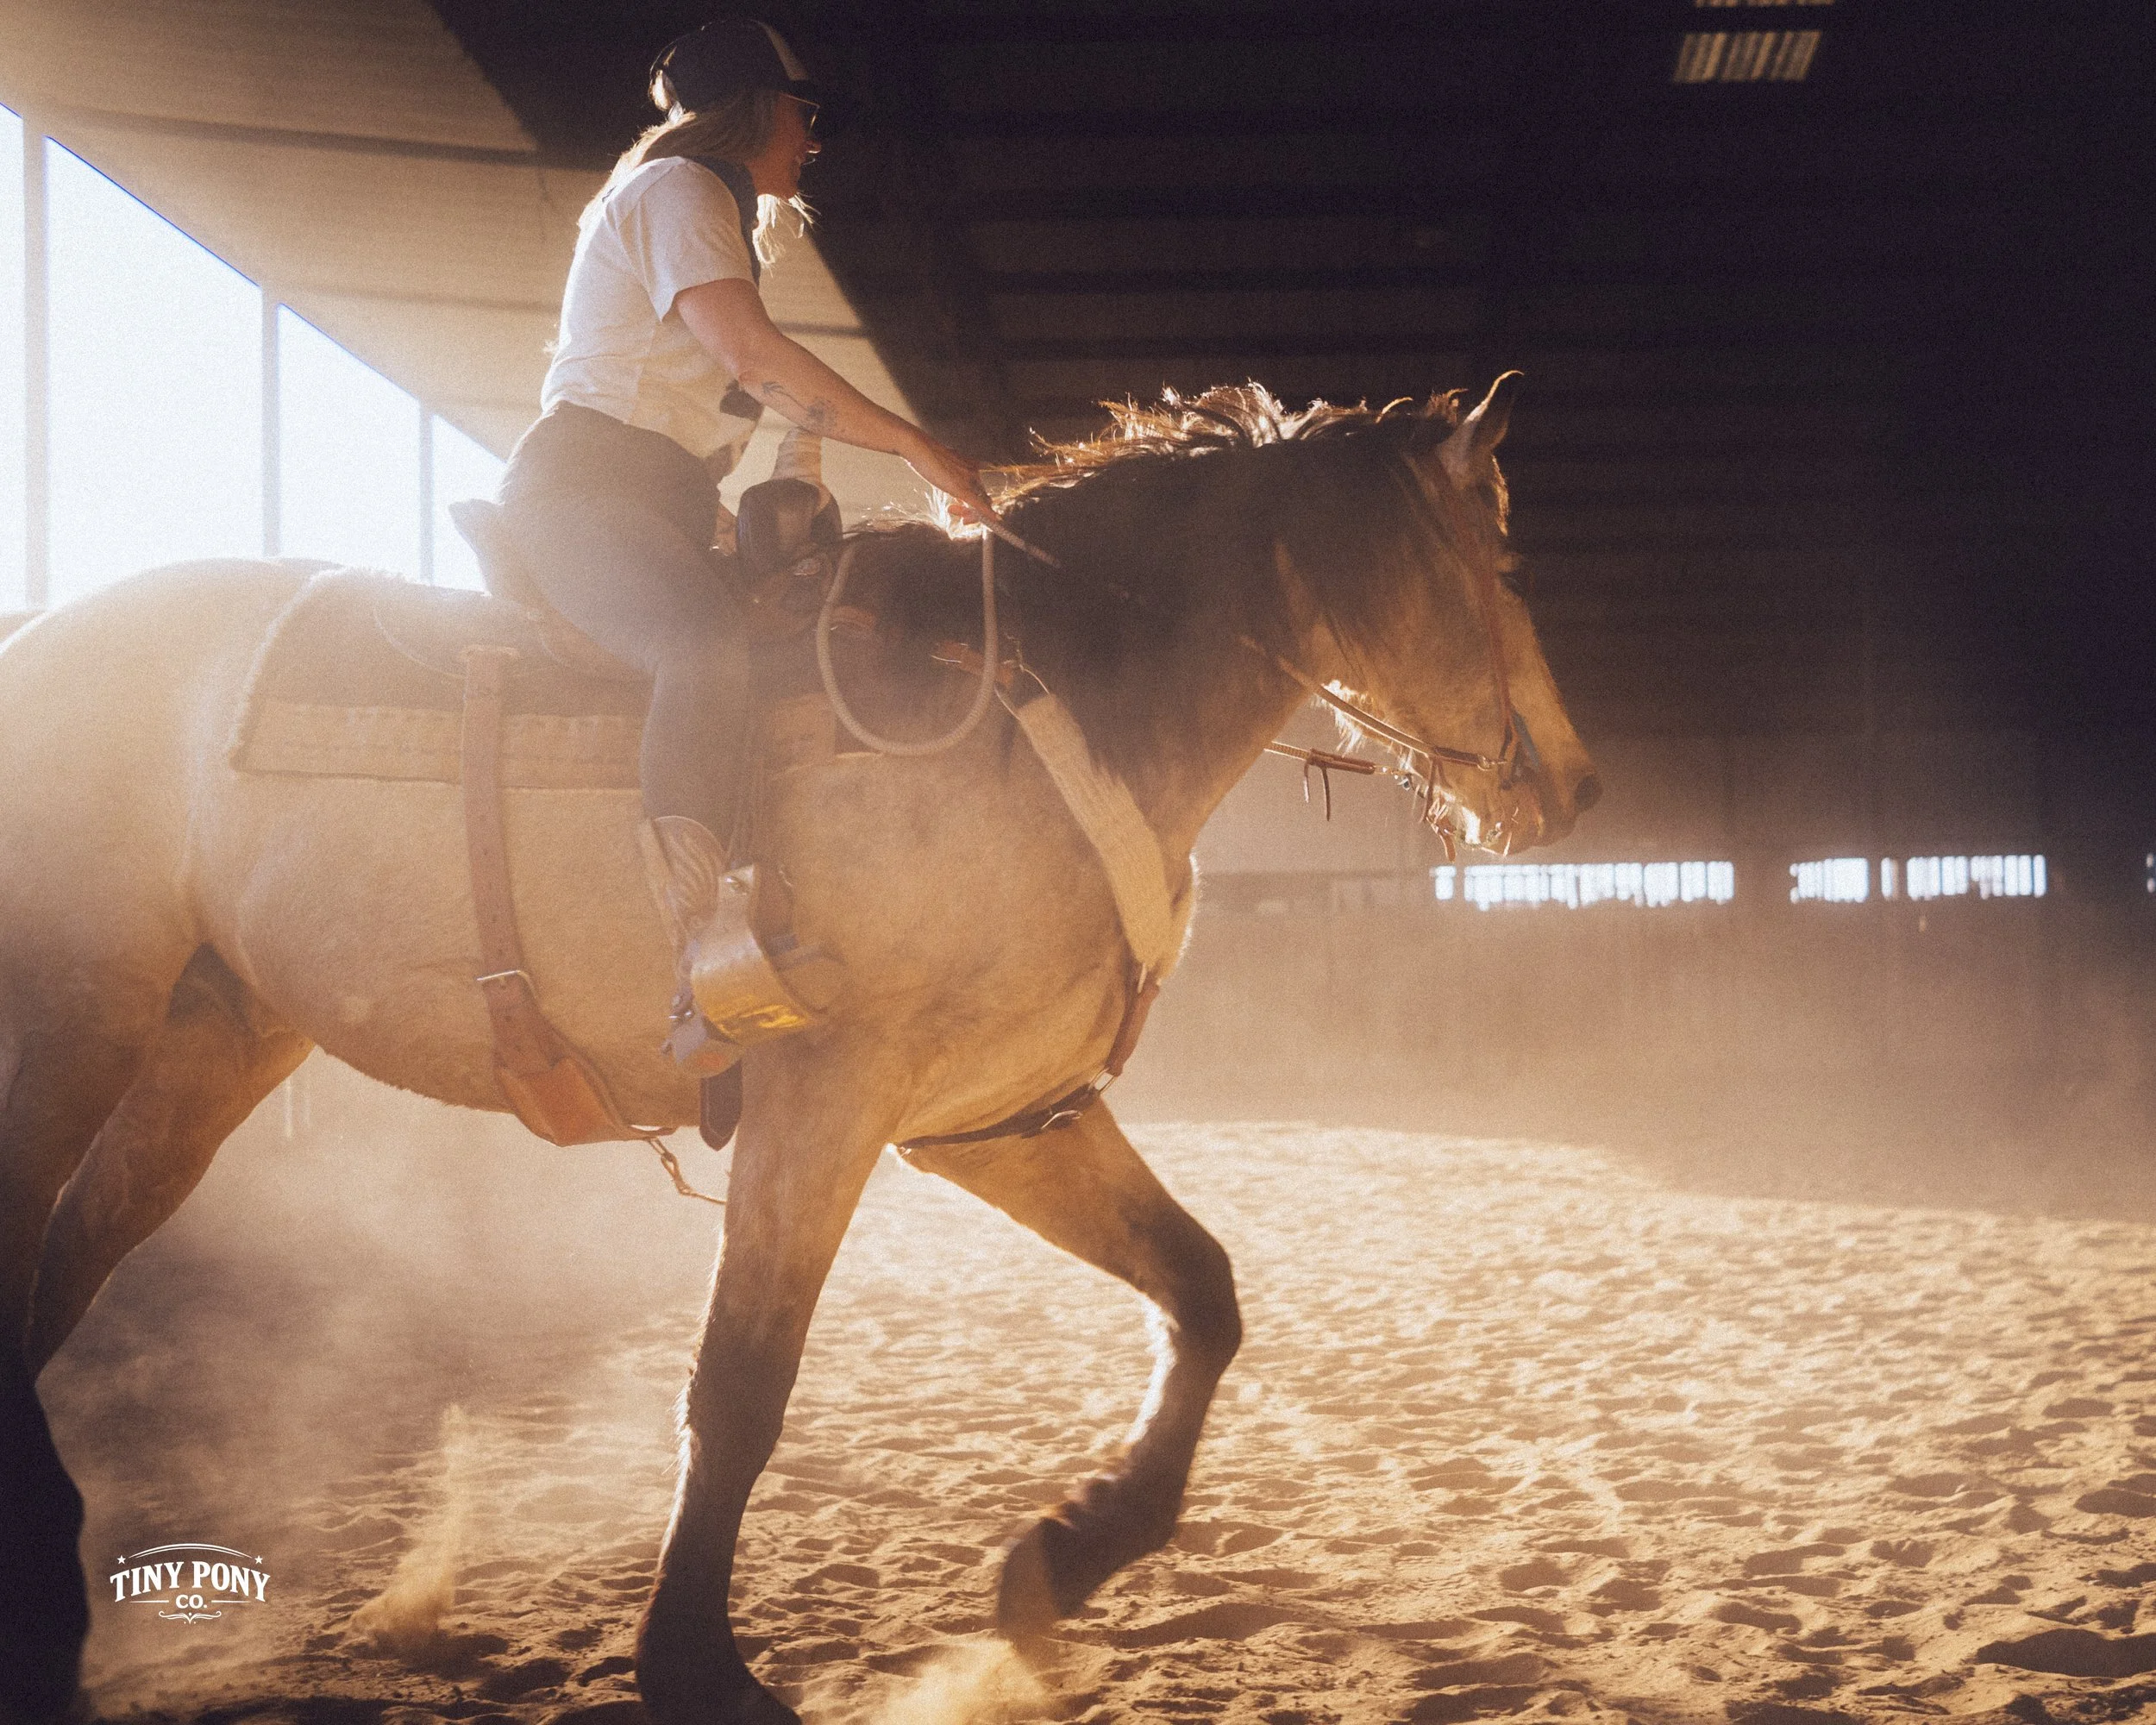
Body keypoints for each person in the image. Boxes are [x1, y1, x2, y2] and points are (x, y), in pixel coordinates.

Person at [498, 15, 993, 1031]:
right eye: (804, 115)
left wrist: (767, 491)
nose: (813, 139)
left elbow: (707, 407)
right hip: (585, 493)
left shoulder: (686, 204)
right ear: (757, 111)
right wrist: (912, 444)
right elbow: (751, 359)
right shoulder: (679, 190)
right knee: (702, 647)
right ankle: (696, 945)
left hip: (649, 495)